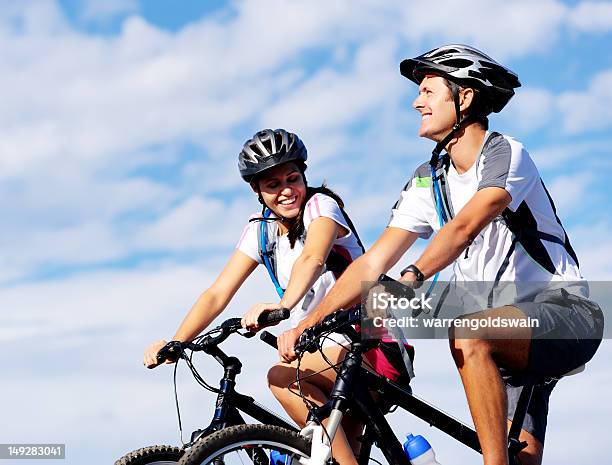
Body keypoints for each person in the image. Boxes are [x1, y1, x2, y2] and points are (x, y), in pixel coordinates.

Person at [277, 45, 604, 465]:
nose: (417, 102)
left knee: (467, 332)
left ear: (464, 98)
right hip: (503, 330)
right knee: (521, 454)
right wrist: (311, 320)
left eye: (429, 92)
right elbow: (373, 261)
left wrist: (412, 276)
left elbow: (464, 228)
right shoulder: (426, 179)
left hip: (565, 312)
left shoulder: (505, 154)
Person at [143, 128, 409, 465]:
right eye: (272, 185)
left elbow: (312, 257)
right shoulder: (261, 229)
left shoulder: (320, 207)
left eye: (292, 178)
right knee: (334, 445)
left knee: (284, 378)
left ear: (304, 175)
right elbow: (218, 292)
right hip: (318, 349)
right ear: (256, 190)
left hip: (369, 343)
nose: (286, 191)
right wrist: (176, 342)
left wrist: (283, 307)